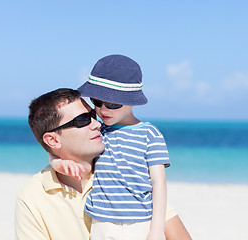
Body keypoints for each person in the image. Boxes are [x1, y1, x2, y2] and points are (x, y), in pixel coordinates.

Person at [15, 88, 191, 240]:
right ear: (52, 140)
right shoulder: (33, 196)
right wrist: (56, 161)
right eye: (82, 120)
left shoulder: (126, 170)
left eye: (93, 116)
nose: (96, 124)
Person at [50, 55, 171, 240]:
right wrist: (56, 162)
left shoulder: (150, 134)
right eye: (97, 102)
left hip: (140, 222)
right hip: (101, 223)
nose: (103, 110)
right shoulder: (98, 131)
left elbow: (159, 183)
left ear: (132, 101)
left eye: (113, 103)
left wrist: (157, 229)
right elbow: (68, 151)